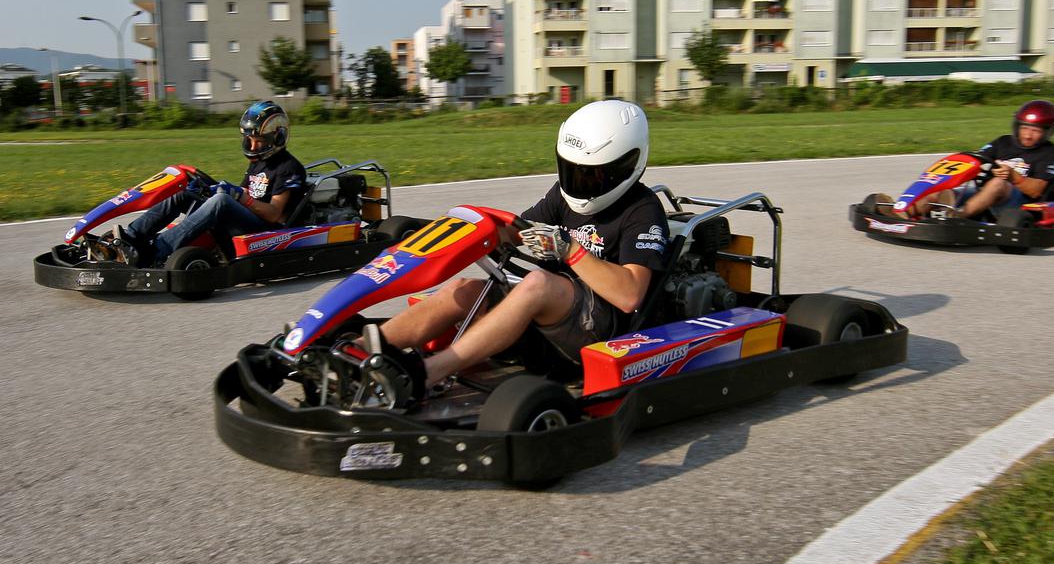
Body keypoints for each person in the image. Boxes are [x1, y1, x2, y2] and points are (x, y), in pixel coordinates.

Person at [377, 99, 670, 389]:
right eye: (573, 171)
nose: (579, 182)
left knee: (537, 282)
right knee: (464, 289)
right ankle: (366, 349)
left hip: (598, 333)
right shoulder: (562, 195)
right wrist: (472, 232)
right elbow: (517, 230)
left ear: (626, 165)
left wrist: (568, 249)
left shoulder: (643, 211)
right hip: (548, 312)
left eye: (592, 174)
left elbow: (630, 293)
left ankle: (427, 372)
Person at [91, 101, 306, 267]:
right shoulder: (259, 163)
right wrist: (209, 190)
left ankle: (155, 251)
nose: (251, 144)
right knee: (186, 192)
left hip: (267, 232)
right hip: (245, 221)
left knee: (221, 200)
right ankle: (132, 238)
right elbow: (244, 193)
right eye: (248, 139)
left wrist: (236, 196)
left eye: (258, 139)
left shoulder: (289, 167)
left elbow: (274, 214)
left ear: (276, 137)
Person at [879, 100, 1054, 219]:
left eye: (1035, 130)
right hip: (983, 195)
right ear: (1017, 126)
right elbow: (979, 157)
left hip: (1016, 204)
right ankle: (904, 212)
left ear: (1047, 131)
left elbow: (1036, 190)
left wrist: (1013, 176)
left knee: (999, 183)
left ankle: (958, 217)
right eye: (1025, 128)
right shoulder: (1003, 142)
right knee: (946, 187)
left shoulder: (1050, 154)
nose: (1028, 135)